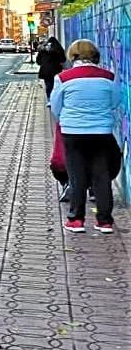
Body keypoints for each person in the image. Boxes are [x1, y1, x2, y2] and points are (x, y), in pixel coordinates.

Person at [50, 39, 122, 233]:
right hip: (101, 132)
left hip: (73, 133)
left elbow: (55, 107)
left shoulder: (63, 78)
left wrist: (69, 118)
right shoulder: (108, 77)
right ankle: (104, 221)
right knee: (101, 176)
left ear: (72, 56)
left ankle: (76, 220)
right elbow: (115, 102)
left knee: (76, 176)